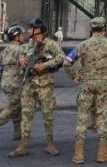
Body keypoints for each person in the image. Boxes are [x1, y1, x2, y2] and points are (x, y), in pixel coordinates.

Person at [66, 17, 107, 164]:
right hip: (104, 84)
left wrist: (75, 76)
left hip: (86, 84)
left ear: (91, 29)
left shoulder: (83, 45)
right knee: (102, 116)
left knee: (82, 117)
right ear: (104, 29)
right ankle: (101, 154)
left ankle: (79, 155)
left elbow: (67, 62)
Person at [10, 18, 64, 158]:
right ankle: (23, 146)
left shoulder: (50, 44)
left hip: (45, 86)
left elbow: (61, 58)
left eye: (30, 28)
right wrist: (21, 60)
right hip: (29, 84)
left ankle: (50, 144)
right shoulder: (28, 46)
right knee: (26, 116)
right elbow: (20, 56)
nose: (28, 30)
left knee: (48, 116)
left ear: (38, 30)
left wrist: (44, 65)